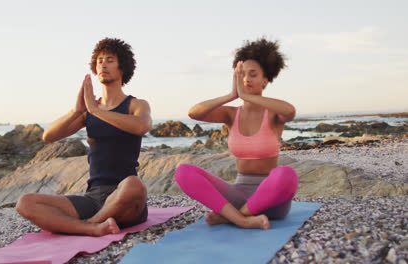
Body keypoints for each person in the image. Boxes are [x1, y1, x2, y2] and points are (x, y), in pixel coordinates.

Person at [16, 38, 152, 236]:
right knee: (26, 203)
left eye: (110, 59)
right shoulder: (88, 110)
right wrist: (76, 111)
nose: (103, 64)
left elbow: (142, 126)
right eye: (99, 60)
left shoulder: (135, 105)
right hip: (93, 198)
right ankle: (93, 228)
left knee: (134, 185)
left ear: (122, 66)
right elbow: (49, 136)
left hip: (124, 196)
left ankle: (91, 223)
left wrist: (96, 111)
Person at [174, 38, 298, 230]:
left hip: (271, 200)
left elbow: (290, 111)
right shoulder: (231, 114)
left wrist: (248, 96)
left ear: (265, 81)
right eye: (242, 75)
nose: (247, 79)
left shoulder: (273, 114)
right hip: (238, 195)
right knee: (184, 172)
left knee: (286, 174)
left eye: (253, 74)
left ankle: (231, 217)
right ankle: (243, 219)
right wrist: (232, 95)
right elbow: (194, 113)